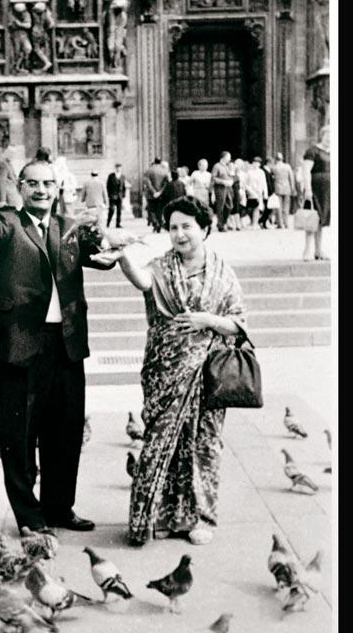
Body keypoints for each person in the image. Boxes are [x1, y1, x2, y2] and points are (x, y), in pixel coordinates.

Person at [0, 159, 132, 534]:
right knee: (19, 436)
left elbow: (94, 257)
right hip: (19, 343)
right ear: (20, 186)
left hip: (65, 344)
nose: (41, 190)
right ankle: (29, 516)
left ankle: (60, 507)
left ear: (58, 187)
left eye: (48, 183)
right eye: (33, 183)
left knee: (65, 431)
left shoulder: (68, 228)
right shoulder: (9, 223)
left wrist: (110, 254)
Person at [116, 196, 247, 546]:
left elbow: (238, 323)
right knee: (160, 442)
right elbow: (142, 280)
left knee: (203, 444)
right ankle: (157, 514)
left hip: (206, 374)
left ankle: (201, 517)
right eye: (173, 227)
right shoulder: (162, 266)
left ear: (204, 228)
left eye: (187, 226)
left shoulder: (222, 273)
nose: (179, 234)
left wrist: (208, 320)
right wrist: (122, 257)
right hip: (165, 370)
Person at [302, 139, 332, 261]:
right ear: (323, 135)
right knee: (312, 219)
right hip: (315, 189)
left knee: (321, 220)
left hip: (326, 191)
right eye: (328, 135)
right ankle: (307, 250)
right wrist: (308, 189)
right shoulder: (313, 151)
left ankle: (318, 250)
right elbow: (306, 171)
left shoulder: (330, 152)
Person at [268, 154, 297, 229]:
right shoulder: (287, 167)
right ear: (282, 159)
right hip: (287, 188)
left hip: (277, 188)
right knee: (286, 207)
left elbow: (272, 178)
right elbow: (291, 178)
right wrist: (292, 187)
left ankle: (280, 224)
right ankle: (286, 223)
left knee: (279, 207)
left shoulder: (274, 168)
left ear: (276, 159)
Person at [143, 157, 170, 232]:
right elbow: (166, 183)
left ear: (154, 162)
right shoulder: (164, 171)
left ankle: (155, 223)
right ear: (160, 162)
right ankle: (159, 223)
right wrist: (160, 192)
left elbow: (147, 182)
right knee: (159, 210)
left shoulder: (148, 170)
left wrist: (153, 192)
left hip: (151, 194)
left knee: (151, 209)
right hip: (161, 194)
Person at [210, 151, 234, 232]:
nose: (230, 159)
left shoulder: (226, 166)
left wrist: (230, 181)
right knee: (220, 206)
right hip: (220, 188)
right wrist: (223, 182)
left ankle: (223, 222)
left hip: (227, 188)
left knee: (229, 205)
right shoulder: (217, 166)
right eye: (229, 157)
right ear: (224, 157)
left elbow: (228, 176)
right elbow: (213, 178)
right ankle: (221, 225)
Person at [245, 159, 269, 229]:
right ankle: (252, 221)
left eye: (257, 163)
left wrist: (265, 193)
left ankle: (255, 223)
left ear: (259, 164)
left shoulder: (261, 172)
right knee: (250, 207)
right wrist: (249, 190)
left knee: (257, 207)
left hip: (259, 192)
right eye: (254, 163)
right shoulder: (249, 172)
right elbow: (246, 183)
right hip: (251, 192)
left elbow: (264, 183)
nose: (256, 164)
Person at [106, 163, 127, 227]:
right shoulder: (111, 176)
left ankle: (118, 223)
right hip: (112, 196)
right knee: (111, 210)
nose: (118, 169)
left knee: (119, 210)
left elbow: (123, 187)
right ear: (115, 168)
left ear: (121, 169)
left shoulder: (123, 176)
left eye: (119, 168)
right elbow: (108, 186)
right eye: (117, 168)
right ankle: (108, 222)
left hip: (119, 196)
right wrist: (109, 194)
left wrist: (123, 195)